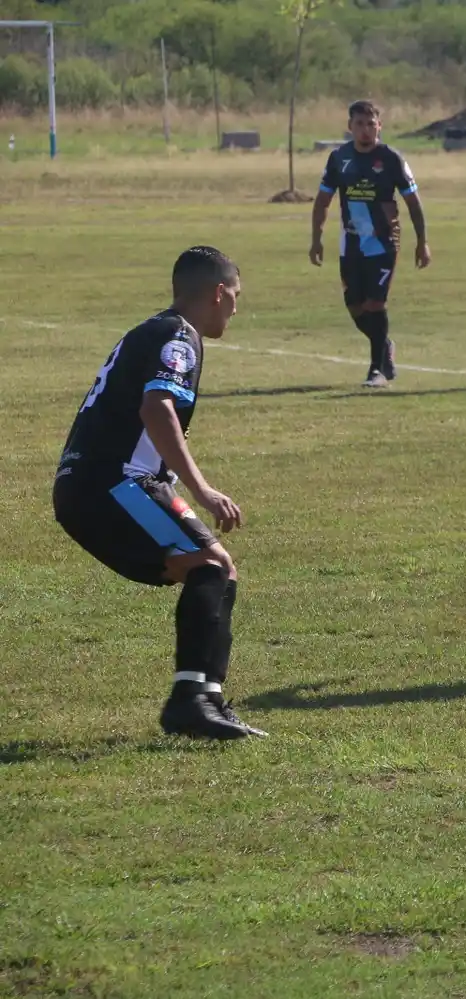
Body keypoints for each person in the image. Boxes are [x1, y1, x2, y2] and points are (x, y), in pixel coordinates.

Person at [53, 247, 264, 740]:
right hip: (114, 484)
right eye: (234, 297)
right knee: (210, 566)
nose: (235, 308)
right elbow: (158, 409)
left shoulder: (156, 329)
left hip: (94, 484)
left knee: (213, 568)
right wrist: (203, 489)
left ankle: (204, 699)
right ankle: (191, 702)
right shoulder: (178, 338)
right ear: (217, 293)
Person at [310, 99, 431, 389]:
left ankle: (377, 370)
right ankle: (384, 344)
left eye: (371, 124)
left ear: (379, 126)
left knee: (375, 304)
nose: (366, 130)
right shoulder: (339, 158)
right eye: (359, 124)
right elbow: (323, 201)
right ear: (350, 127)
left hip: (383, 243)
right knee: (355, 307)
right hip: (350, 244)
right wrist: (316, 239)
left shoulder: (391, 159)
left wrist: (422, 242)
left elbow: (413, 203)